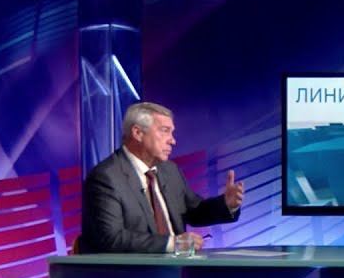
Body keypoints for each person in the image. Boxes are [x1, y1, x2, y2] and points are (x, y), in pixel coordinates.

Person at [77, 101, 244, 254]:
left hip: (176, 269)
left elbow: (194, 211)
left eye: (172, 132)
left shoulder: (169, 170)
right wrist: (172, 244)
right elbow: (111, 238)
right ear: (138, 133)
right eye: (165, 131)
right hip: (132, 273)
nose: (173, 141)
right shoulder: (106, 177)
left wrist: (226, 204)